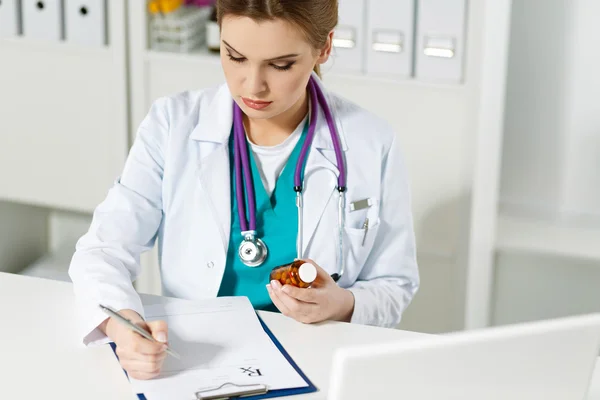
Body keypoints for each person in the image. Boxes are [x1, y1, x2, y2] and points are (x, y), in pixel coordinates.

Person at [68, 0, 419, 380]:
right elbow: (102, 252)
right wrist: (124, 328)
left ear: (325, 47)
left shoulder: (371, 141)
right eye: (234, 56)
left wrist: (344, 304)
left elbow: (395, 284)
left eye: (281, 65)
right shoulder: (172, 126)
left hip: (316, 360)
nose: (253, 85)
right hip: (193, 360)